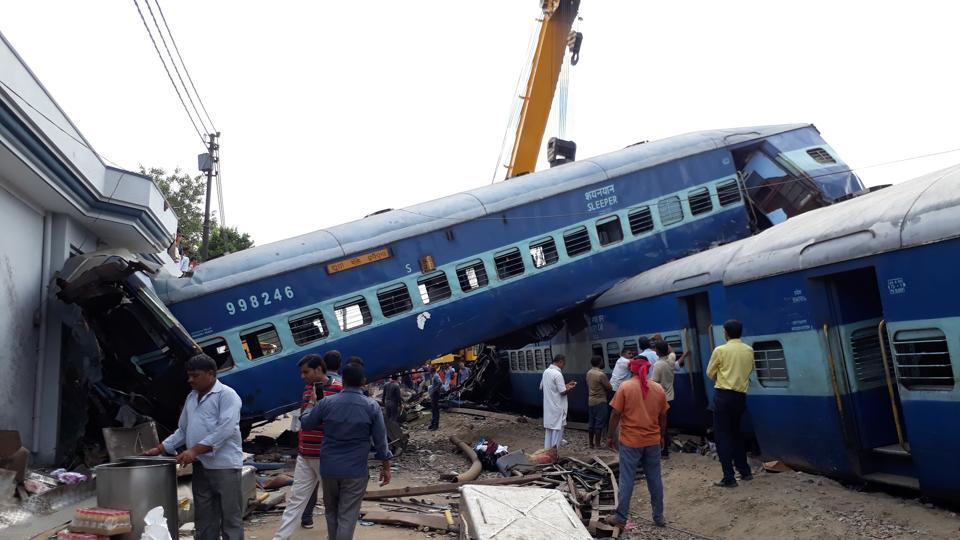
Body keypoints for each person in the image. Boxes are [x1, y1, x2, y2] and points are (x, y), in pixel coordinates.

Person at [144, 354, 243, 540]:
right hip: (201, 466)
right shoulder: (191, 397)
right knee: (204, 516)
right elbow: (183, 430)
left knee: (231, 517)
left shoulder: (227, 395)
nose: (190, 380)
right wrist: (160, 448)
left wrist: (194, 450)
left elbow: (225, 429)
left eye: (195, 375)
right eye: (189, 375)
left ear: (211, 374)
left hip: (224, 466)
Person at [300, 363, 393, 540]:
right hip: (355, 471)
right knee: (347, 516)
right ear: (363, 382)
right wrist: (386, 467)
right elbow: (381, 442)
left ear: (343, 382)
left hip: (329, 469)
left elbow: (306, 424)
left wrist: (312, 402)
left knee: (331, 513)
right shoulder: (371, 406)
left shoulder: (326, 403)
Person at [606, 355, 669, 529]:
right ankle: (659, 516)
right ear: (648, 369)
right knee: (655, 478)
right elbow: (663, 416)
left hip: (630, 441)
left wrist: (610, 436)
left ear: (631, 369)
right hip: (652, 441)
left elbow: (615, 414)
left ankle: (620, 518)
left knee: (627, 479)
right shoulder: (658, 389)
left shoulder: (625, 387)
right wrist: (662, 436)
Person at [273, 355, 332, 539]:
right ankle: (281, 537)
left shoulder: (338, 389)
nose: (302, 376)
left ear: (318, 370)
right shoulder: (308, 388)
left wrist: (316, 404)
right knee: (296, 499)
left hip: (324, 456)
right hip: (305, 454)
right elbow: (304, 418)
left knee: (332, 502)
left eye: (305, 372)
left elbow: (332, 422)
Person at [707, 319, 755, 488]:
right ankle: (745, 471)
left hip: (723, 396)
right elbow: (750, 370)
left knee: (723, 436)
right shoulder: (749, 350)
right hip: (740, 396)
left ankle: (729, 477)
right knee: (736, 433)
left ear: (726, 333)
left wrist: (724, 376)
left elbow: (710, 373)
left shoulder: (720, 350)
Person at [540, 354, 576, 449]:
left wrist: (566, 385)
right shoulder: (557, 374)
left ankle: (546, 452)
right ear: (560, 362)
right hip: (558, 408)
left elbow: (547, 387)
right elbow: (562, 392)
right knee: (557, 433)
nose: (564, 366)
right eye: (564, 363)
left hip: (548, 407)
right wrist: (570, 388)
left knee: (549, 433)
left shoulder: (546, 372)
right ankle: (553, 455)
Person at [650, 340, 676, 458]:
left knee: (661, 426)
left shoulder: (658, 365)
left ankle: (664, 451)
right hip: (671, 396)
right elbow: (672, 352)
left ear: (657, 351)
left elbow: (654, 383)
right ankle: (666, 447)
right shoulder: (671, 360)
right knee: (666, 424)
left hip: (661, 399)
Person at [586, 355, 612, 448]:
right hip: (600, 401)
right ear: (599, 363)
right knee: (599, 423)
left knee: (591, 423)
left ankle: (590, 443)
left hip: (591, 400)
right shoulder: (601, 374)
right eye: (602, 361)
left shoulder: (589, 372)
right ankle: (598, 444)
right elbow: (609, 387)